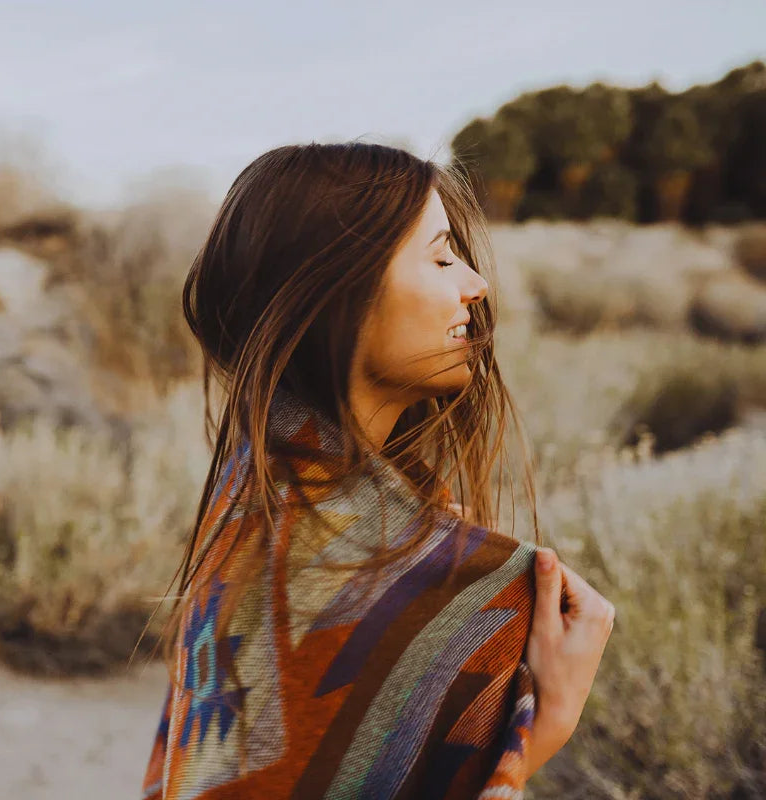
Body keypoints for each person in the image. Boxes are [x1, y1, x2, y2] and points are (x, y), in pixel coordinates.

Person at [138, 141, 615, 799]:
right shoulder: (459, 599)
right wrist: (546, 727)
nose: (475, 284)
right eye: (442, 257)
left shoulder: (248, 500)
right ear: (341, 292)